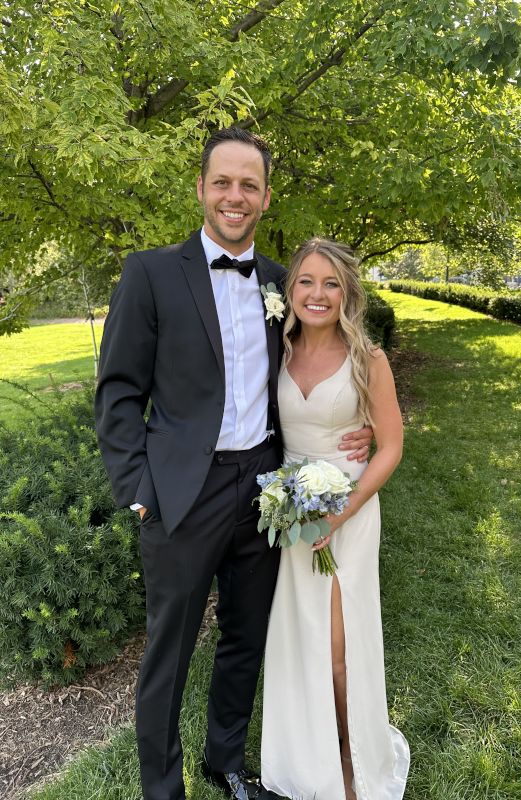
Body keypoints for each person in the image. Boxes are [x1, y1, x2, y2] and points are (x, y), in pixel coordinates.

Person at [95, 127, 372, 800]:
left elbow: (330, 358)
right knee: (169, 652)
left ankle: (224, 762)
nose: (235, 195)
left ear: (266, 196)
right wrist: (139, 489)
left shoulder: (284, 281)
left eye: (249, 184)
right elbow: (118, 392)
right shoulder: (151, 274)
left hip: (266, 490)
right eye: (223, 181)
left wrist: (355, 427)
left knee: (245, 637)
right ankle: (162, 788)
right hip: (180, 493)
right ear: (201, 188)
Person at [261, 238, 410, 800]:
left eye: (330, 283)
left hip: (347, 512)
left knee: (340, 651)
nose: (317, 294)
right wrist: (290, 507)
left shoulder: (367, 359)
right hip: (287, 512)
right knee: (298, 638)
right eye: (306, 281)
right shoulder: (274, 346)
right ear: (290, 289)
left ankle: (351, 758)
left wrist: (338, 516)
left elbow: (390, 447)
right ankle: (308, 750)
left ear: (347, 292)